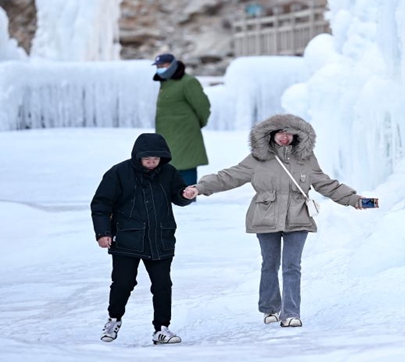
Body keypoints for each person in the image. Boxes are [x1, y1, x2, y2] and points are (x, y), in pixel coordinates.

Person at [182, 113, 372, 328]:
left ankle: (291, 313)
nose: (285, 137)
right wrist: (199, 188)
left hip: (298, 217)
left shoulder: (306, 159)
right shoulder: (257, 158)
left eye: (290, 133)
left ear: (297, 136)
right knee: (269, 264)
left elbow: (326, 184)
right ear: (271, 134)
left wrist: (354, 199)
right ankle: (270, 308)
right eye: (281, 133)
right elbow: (229, 176)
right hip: (265, 216)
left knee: (292, 266)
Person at [90, 133, 195, 345]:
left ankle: (161, 329)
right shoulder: (119, 173)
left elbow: (178, 195)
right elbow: (101, 204)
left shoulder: (169, 172)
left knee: (162, 285)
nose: (151, 161)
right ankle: (114, 320)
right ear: (137, 156)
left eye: (156, 158)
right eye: (147, 157)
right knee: (123, 283)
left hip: (161, 239)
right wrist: (103, 233)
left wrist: (185, 195)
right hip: (127, 239)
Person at [152, 53, 211, 185]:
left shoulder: (188, 82)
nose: (160, 68)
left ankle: (188, 200)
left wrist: (197, 124)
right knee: (169, 166)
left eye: (164, 65)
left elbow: (203, 106)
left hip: (185, 133)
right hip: (167, 134)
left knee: (186, 165)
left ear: (173, 65)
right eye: (158, 66)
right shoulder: (165, 83)